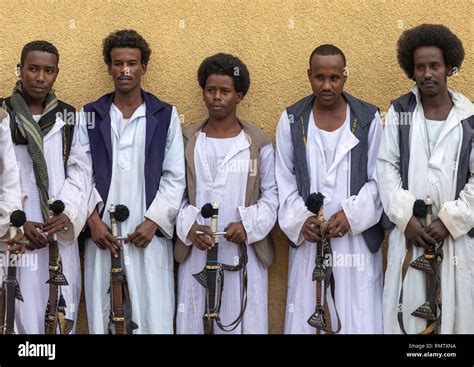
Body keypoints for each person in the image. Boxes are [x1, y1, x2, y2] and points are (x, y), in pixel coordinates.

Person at [79, 29, 185, 334]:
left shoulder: (164, 115)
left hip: (148, 236)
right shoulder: (90, 114)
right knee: (103, 316)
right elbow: (80, 173)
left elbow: (174, 175)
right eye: (118, 63)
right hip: (102, 237)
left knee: (153, 315)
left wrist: (154, 221)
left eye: (132, 63)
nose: (125, 70)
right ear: (109, 67)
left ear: (144, 67)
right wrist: (92, 221)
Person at [276, 44, 384, 334]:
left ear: (344, 77)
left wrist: (351, 215)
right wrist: (302, 220)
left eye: (334, 78)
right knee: (306, 313)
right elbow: (284, 180)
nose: (326, 85)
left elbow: (380, 180)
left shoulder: (368, 119)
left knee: (358, 316)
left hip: (356, 240)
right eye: (319, 77)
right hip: (310, 237)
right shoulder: (291, 120)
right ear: (308, 75)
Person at [377, 24, 474, 334]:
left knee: (456, 321)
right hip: (411, 236)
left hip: (455, 240)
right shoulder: (399, 112)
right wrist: (406, 218)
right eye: (420, 67)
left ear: (449, 68)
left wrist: (451, 220)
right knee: (407, 319)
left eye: (435, 65)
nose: (428, 73)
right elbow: (385, 167)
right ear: (412, 70)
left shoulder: (468, 118)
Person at [175, 53, 278, 334]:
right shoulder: (188, 140)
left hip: (243, 257)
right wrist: (190, 225)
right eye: (211, 90)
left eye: (225, 91)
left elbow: (271, 196)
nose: (216, 97)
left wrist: (247, 224)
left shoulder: (257, 143)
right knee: (195, 319)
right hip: (197, 252)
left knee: (242, 319)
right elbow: (176, 193)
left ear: (239, 95)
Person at [0, 40, 91, 333]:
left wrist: (66, 214)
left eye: (48, 70)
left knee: (59, 317)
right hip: (13, 236)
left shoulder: (69, 117)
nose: (40, 77)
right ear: (20, 69)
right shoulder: (3, 114)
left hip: (57, 235)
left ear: (56, 73)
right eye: (33, 69)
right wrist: (17, 219)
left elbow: (80, 171)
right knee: (13, 317)